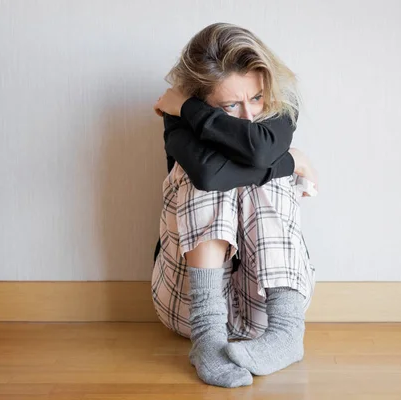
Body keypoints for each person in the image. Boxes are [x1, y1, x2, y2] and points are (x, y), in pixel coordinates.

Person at [151, 22, 318, 388]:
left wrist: (193, 111)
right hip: (189, 307)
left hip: (270, 308)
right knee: (205, 175)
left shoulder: (278, 103)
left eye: (255, 98)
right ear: (198, 97)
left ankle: (289, 333)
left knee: (266, 173)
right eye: (230, 105)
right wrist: (291, 159)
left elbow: (258, 147)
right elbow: (210, 176)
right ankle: (208, 341)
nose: (249, 116)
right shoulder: (178, 118)